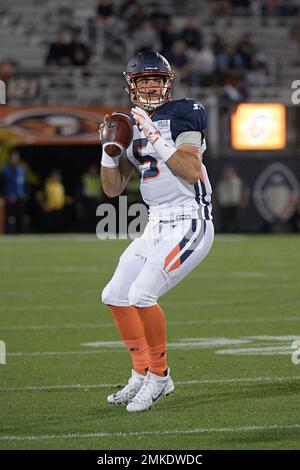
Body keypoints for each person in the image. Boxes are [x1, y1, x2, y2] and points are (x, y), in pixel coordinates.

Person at [99, 50, 214, 412]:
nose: (150, 86)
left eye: (156, 79)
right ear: (130, 84)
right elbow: (113, 189)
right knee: (115, 294)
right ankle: (142, 371)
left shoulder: (185, 111)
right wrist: (108, 152)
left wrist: (156, 136)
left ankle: (161, 377)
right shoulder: (130, 124)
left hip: (189, 218)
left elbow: (190, 170)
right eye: (142, 80)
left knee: (142, 295)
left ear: (168, 82)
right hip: (156, 222)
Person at [0, 151, 26, 234]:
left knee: (20, 217)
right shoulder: (5, 171)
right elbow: (2, 185)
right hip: (9, 198)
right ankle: (9, 233)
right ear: (10, 159)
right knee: (9, 217)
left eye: (16, 158)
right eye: (13, 158)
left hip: (20, 198)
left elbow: (24, 184)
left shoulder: (21, 170)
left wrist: (24, 194)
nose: (15, 160)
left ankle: (20, 234)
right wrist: (6, 195)